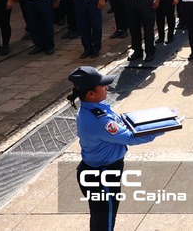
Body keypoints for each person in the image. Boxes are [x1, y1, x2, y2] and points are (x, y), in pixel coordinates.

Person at [67, 66, 164, 231]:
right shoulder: (99, 121)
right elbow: (130, 138)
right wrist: (162, 126)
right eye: (103, 86)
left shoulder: (93, 108)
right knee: (105, 223)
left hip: (97, 172)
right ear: (90, 94)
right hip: (102, 176)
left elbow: (119, 121)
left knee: (101, 220)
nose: (107, 88)